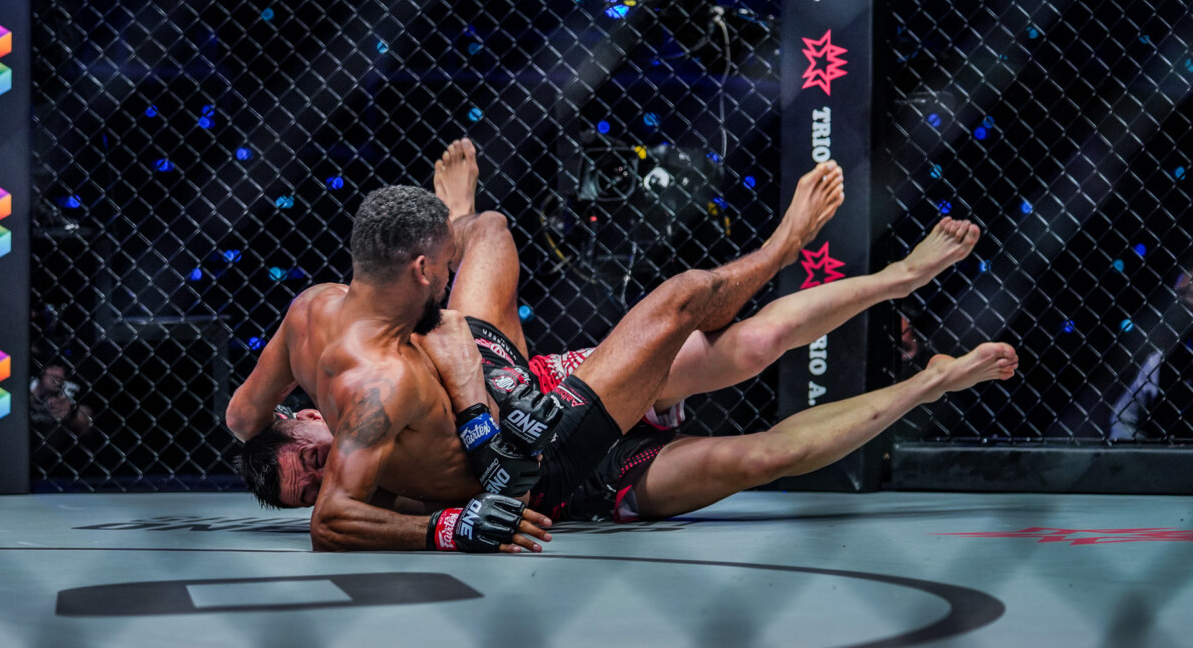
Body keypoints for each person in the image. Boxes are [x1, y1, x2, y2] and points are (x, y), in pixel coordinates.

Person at [231, 141, 1017, 552]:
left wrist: (477, 401)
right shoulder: (363, 440)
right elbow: (338, 516)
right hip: (563, 477)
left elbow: (245, 415)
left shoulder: (324, 333)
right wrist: (451, 522)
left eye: (309, 461)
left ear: (299, 416)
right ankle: (927, 381)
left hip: (526, 389)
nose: (322, 474)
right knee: (756, 456)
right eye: (311, 485)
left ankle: (894, 278)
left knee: (747, 345)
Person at [1108, 263, 1193, 440]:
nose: (1180, 303)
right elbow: (1122, 418)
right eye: (1178, 296)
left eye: (1187, 294)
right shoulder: (1159, 361)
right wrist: (1144, 454)